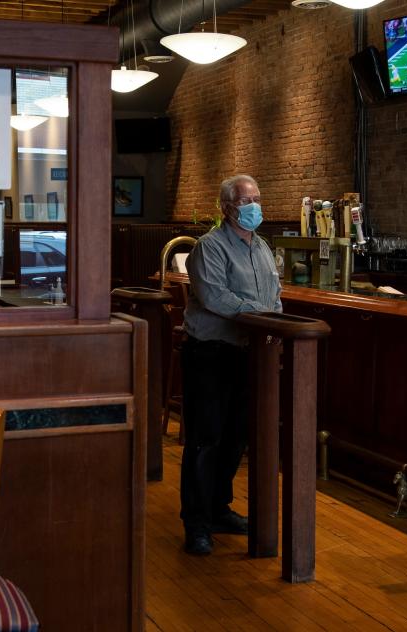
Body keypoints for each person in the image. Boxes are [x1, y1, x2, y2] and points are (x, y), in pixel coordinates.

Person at [180, 174, 282, 556]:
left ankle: (219, 509)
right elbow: (215, 298)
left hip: (248, 353)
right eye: (245, 200)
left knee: (235, 437)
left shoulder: (262, 248)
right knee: (206, 440)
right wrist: (263, 316)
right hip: (210, 352)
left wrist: (274, 320)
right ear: (227, 207)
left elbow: (275, 294)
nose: (254, 205)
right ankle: (197, 523)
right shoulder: (210, 247)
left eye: (256, 197)